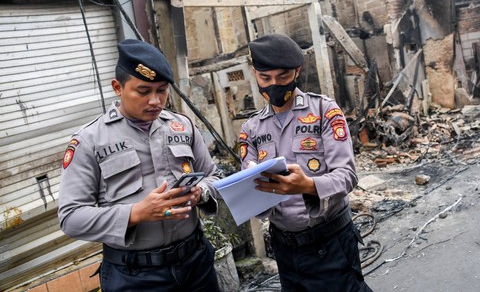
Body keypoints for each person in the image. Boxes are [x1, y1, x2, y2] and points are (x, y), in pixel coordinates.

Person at [58, 39, 221, 292]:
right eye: (143, 91)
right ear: (117, 87)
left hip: (196, 263)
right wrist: (136, 213)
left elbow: (212, 176)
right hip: (135, 276)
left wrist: (201, 192)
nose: (155, 101)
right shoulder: (89, 141)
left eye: (162, 90)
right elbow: (71, 218)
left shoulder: (183, 126)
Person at [238, 33, 372, 291]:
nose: (274, 85)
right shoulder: (251, 129)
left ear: (297, 71)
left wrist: (308, 185)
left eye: (283, 77)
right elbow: (250, 185)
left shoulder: (324, 111)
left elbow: (347, 175)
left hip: (330, 242)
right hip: (285, 249)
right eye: (265, 78)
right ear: (254, 73)